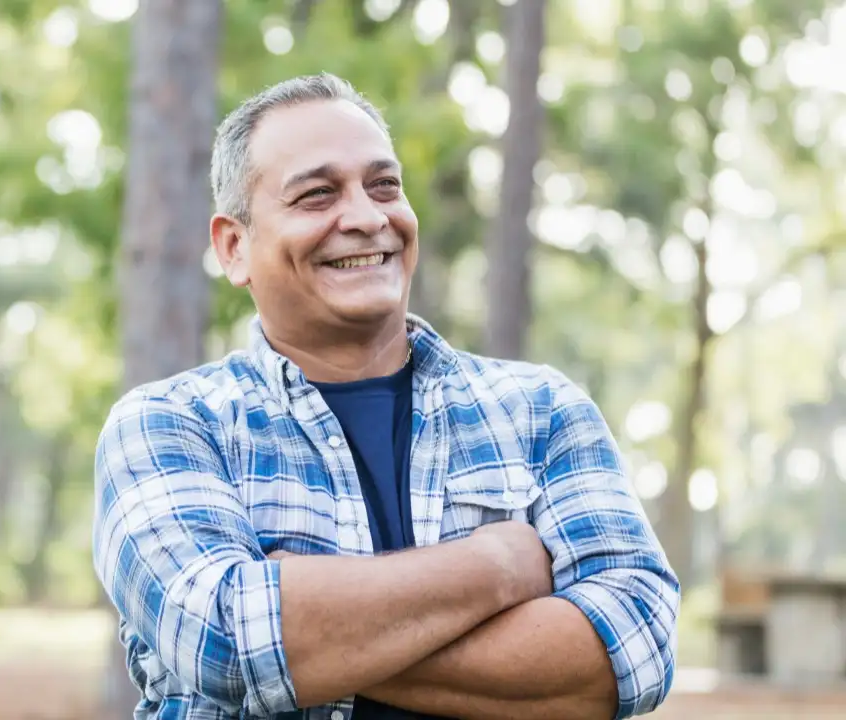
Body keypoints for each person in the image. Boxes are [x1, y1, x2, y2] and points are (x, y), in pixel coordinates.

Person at [93, 72, 678, 720]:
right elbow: (226, 641)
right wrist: (500, 564)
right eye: (317, 196)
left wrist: (314, 625)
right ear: (235, 247)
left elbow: (636, 644)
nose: (369, 218)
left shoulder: (542, 412)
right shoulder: (169, 426)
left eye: (384, 186)